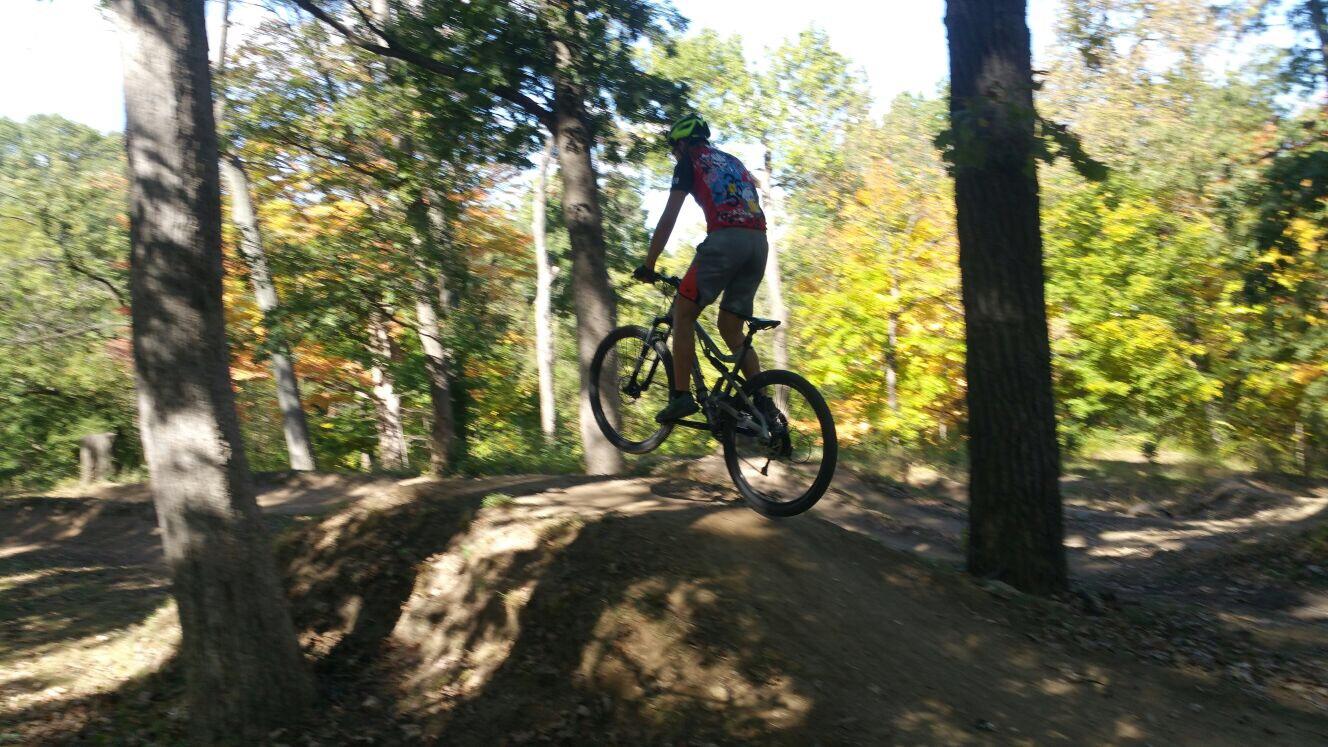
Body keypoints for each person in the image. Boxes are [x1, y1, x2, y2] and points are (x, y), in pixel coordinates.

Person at [635, 113, 775, 424]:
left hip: (726, 241)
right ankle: (763, 403)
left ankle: (681, 396)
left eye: (674, 148)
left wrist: (650, 262)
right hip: (759, 244)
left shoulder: (689, 161)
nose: (674, 153)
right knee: (730, 328)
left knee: (682, 313)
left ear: (682, 143)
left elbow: (669, 216)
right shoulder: (733, 160)